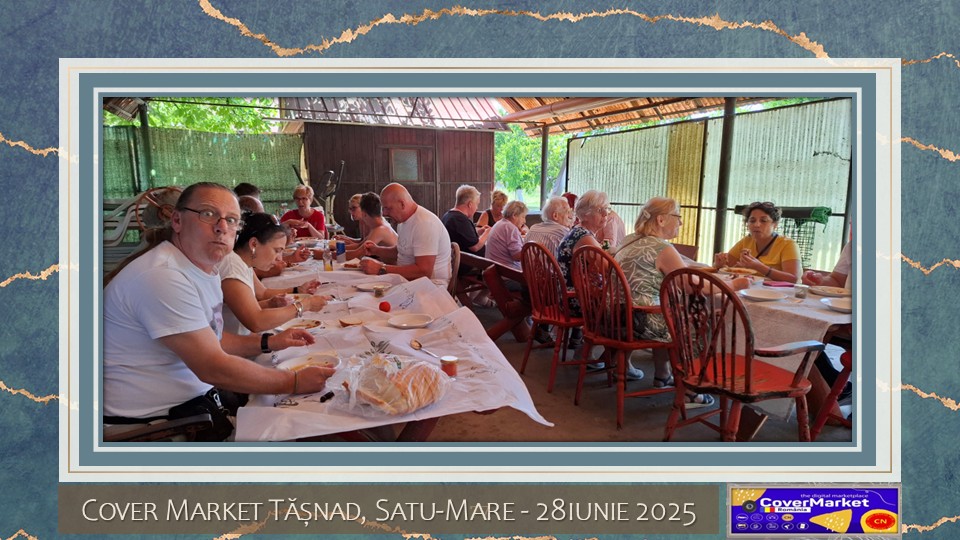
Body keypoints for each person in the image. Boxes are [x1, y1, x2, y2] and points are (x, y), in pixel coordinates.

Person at [103, 182, 334, 440]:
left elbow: (215, 339)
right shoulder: (162, 276)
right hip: (156, 427)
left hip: (196, 408)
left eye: (231, 220)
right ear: (177, 221)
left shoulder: (205, 267)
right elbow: (213, 366)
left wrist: (270, 342)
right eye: (208, 214)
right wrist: (294, 381)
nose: (222, 227)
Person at [615, 197, 748, 403]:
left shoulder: (630, 239)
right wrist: (735, 284)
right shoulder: (662, 248)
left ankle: (662, 375)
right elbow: (692, 286)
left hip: (615, 316)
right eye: (677, 216)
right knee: (699, 322)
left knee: (670, 311)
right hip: (640, 320)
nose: (681, 222)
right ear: (660, 220)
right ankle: (691, 390)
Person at [218, 212, 328, 336]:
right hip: (237, 341)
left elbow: (262, 293)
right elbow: (256, 321)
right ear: (254, 244)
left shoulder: (243, 262)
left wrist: (296, 291)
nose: (279, 258)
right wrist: (305, 305)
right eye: (276, 250)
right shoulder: (232, 267)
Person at [359, 183, 452, 286]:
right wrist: (376, 250)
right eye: (383, 208)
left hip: (432, 285)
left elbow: (424, 272)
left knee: (368, 291)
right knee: (360, 285)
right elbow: (402, 250)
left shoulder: (424, 224)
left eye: (388, 208)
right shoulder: (403, 222)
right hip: (409, 282)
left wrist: (381, 268)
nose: (384, 213)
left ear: (402, 204)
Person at [555, 190, 610, 350]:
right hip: (577, 300)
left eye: (607, 209)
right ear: (586, 214)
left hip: (567, 296)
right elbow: (607, 269)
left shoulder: (576, 231)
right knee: (626, 309)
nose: (606, 214)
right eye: (600, 210)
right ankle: (613, 356)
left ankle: (601, 353)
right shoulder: (584, 237)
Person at [713, 201, 801, 283]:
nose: (757, 225)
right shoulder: (746, 241)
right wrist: (719, 265)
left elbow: (793, 278)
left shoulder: (788, 244)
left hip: (783, 293)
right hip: (752, 289)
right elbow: (728, 265)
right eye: (752, 221)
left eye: (763, 221)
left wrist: (759, 266)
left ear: (775, 225)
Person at [327, 192, 398, 261]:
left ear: (364, 214)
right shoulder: (380, 225)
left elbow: (357, 254)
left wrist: (327, 254)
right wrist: (337, 246)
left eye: (354, 208)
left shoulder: (380, 229)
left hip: (391, 267)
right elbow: (360, 245)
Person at [442, 185, 491, 257]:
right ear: (470, 204)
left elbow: (462, 237)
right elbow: (475, 247)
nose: (477, 208)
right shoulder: (460, 220)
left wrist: (478, 232)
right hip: (469, 262)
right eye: (477, 204)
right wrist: (487, 233)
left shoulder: (449, 215)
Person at [485, 200, 527, 271]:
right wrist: (531, 251)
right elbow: (517, 256)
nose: (524, 221)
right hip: (506, 273)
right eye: (523, 217)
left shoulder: (499, 223)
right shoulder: (511, 228)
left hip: (494, 269)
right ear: (514, 215)